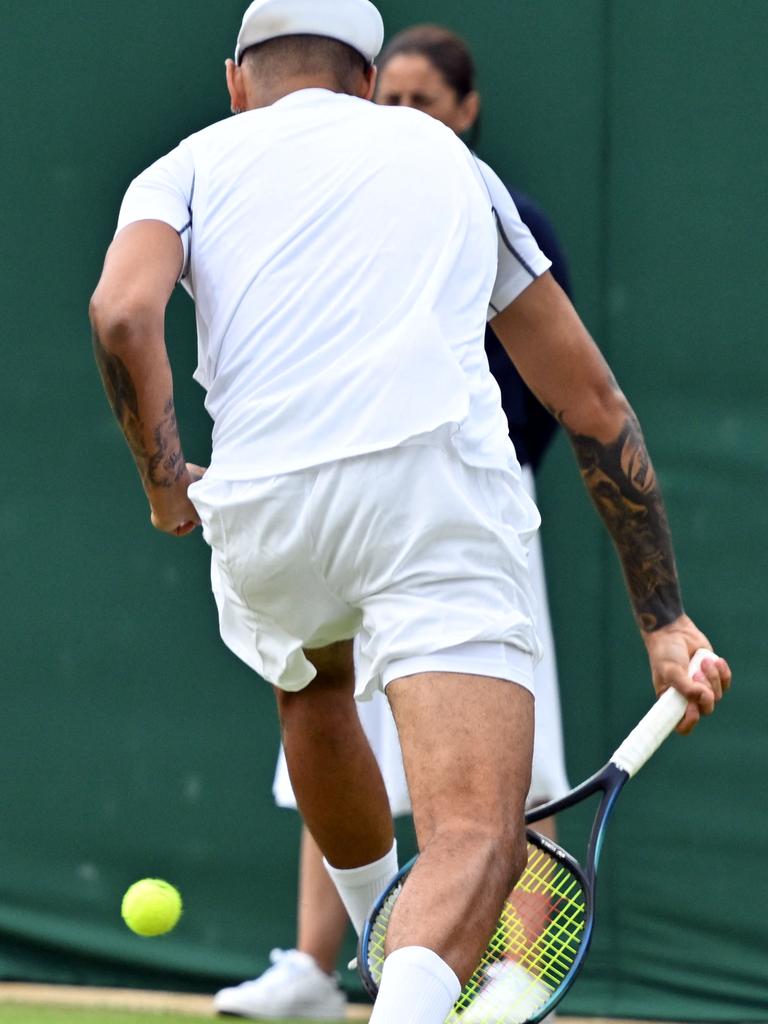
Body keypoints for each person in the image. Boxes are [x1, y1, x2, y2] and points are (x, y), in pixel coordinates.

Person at [89, 1, 731, 1022]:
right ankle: (411, 989)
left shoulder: (185, 164)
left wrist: (165, 478)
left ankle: (394, 964)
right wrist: (663, 620)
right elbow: (593, 404)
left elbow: (123, 312)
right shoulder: (449, 168)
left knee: (314, 685)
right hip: (430, 498)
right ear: (365, 78)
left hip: (263, 511)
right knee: (477, 837)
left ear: (235, 81)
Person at [213, 23, 574, 1020]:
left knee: (517, 783)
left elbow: (556, 392)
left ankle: (513, 977)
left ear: (466, 110)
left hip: (471, 519)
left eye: (423, 101)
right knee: (331, 737)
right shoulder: (346, 214)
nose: (403, 115)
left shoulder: (496, 209)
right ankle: (323, 967)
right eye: (393, 98)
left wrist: (472, 488)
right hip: (360, 513)